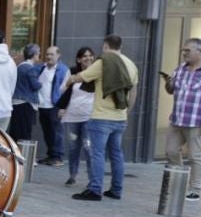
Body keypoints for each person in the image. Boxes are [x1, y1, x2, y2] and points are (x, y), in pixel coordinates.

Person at [66, 33, 138, 201]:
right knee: (116, 154)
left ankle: (95, 189)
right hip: (120, 117)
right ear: (121, 46)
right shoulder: (130, 65)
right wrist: (127, 111)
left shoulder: (103, 62)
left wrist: (69, 81)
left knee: (97, 154)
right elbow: (133, 91)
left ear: (105, 46)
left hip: (101, 117)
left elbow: (82, 76)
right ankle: (116, 189)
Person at [162, 37, 201, 201]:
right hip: (177, 119)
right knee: (171, 151)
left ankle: (195, 188)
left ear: (200, 52)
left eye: (188, 51)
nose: (184, 53)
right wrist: (168, 83)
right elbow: (171, 90)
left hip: (197, 121)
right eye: (184, 50)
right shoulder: (180, 69)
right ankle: (179, 180)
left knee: (195, 155)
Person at [58, 46, 95, 187]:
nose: (88, 58)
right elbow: (62, 89)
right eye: (85, 56)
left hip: (90, 116)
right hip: (72, 116)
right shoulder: (72, 71)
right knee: (74, 147)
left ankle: (93, 179)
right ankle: (72, 175)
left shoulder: (96, 72)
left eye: (90, 55)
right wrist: (71, 81)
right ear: (79, 59)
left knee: (88, 147)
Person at [36, 46, 69, 166]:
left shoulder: (63, 70)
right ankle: (50, 155)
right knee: (47, 132)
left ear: (58, 55)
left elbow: (67, 90)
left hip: (55, 105)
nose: (49, 57)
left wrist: (63, 107)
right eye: (47, 54)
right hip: (42, 105)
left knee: (57, 132)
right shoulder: (41, 68)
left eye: (52, 54)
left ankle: (58, 157)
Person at [8, 43, 43, 144]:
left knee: (16, 132)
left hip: (16, 103)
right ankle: (23, 156)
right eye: (38, 53)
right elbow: (35, 86)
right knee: (24, 133)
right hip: (25, 103)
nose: (39, 55)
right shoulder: (29, 68)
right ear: (34, 54)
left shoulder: (19, 67)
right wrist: (41, 83)